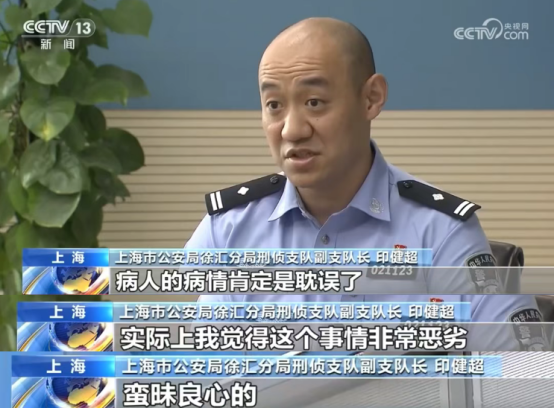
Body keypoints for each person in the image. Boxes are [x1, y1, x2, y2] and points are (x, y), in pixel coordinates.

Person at [186, 18, 549, 351]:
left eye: (314, 102)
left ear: (371, 98)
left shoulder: (441, 232)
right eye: (274, 105)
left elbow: (518, 376)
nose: (292, 130)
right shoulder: (229, 229)